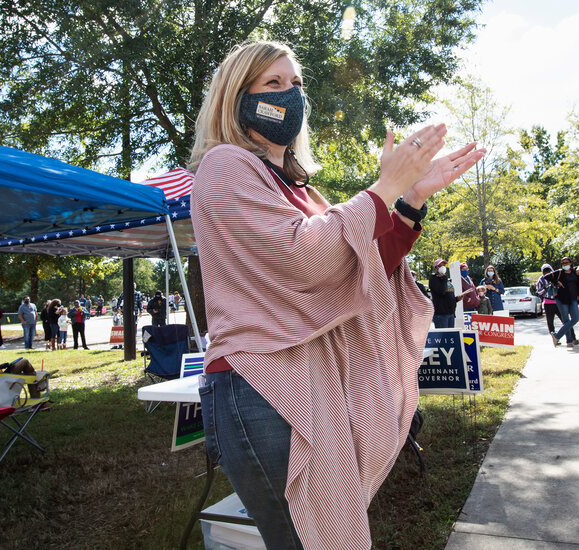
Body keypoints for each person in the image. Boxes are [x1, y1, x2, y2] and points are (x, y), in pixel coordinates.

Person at [187, 41, 482, 549]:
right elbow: (306, 258)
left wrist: (410, 198)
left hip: (308, 382)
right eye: (273, 84)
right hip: (264, 386)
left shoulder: (297, 187)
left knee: (331, 536)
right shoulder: (226, 165)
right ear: (236, 96)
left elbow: (357, 264)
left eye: (296, 84)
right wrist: (383, 190)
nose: (290, 94)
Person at [545, 257, 579, 347]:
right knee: (565, 320)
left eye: (566, 262)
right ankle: (569, 341)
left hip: (573, 298)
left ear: (571, 263)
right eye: (563, 263)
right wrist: (557, 281)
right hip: (561, 299)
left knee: (575, 319)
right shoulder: (559, 272)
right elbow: (546, 276)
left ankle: (557, 335)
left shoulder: (574, 272)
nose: (565, 264)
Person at [429, 260, 459, 328]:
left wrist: (456, 299)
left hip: (451, 313)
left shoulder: (446, 279)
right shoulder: (434, 278)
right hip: (441, 314)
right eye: (440, 266)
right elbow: (441, 291)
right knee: (443, 337)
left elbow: (448, 295)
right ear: (436, 267)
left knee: (450, 336)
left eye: (444, 265)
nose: (443, 267)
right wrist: (444, 279)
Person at [536, 264, 560, 334]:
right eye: (545, 271)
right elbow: (539, 292)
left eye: (548, 270)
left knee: (565, 320)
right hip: (548, 303)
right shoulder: (541, 280)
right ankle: (554, 337)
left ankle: (572, 338)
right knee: (550, 322)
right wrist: (545, 288)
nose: (547, 273)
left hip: (558, 301)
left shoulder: (556, 276)